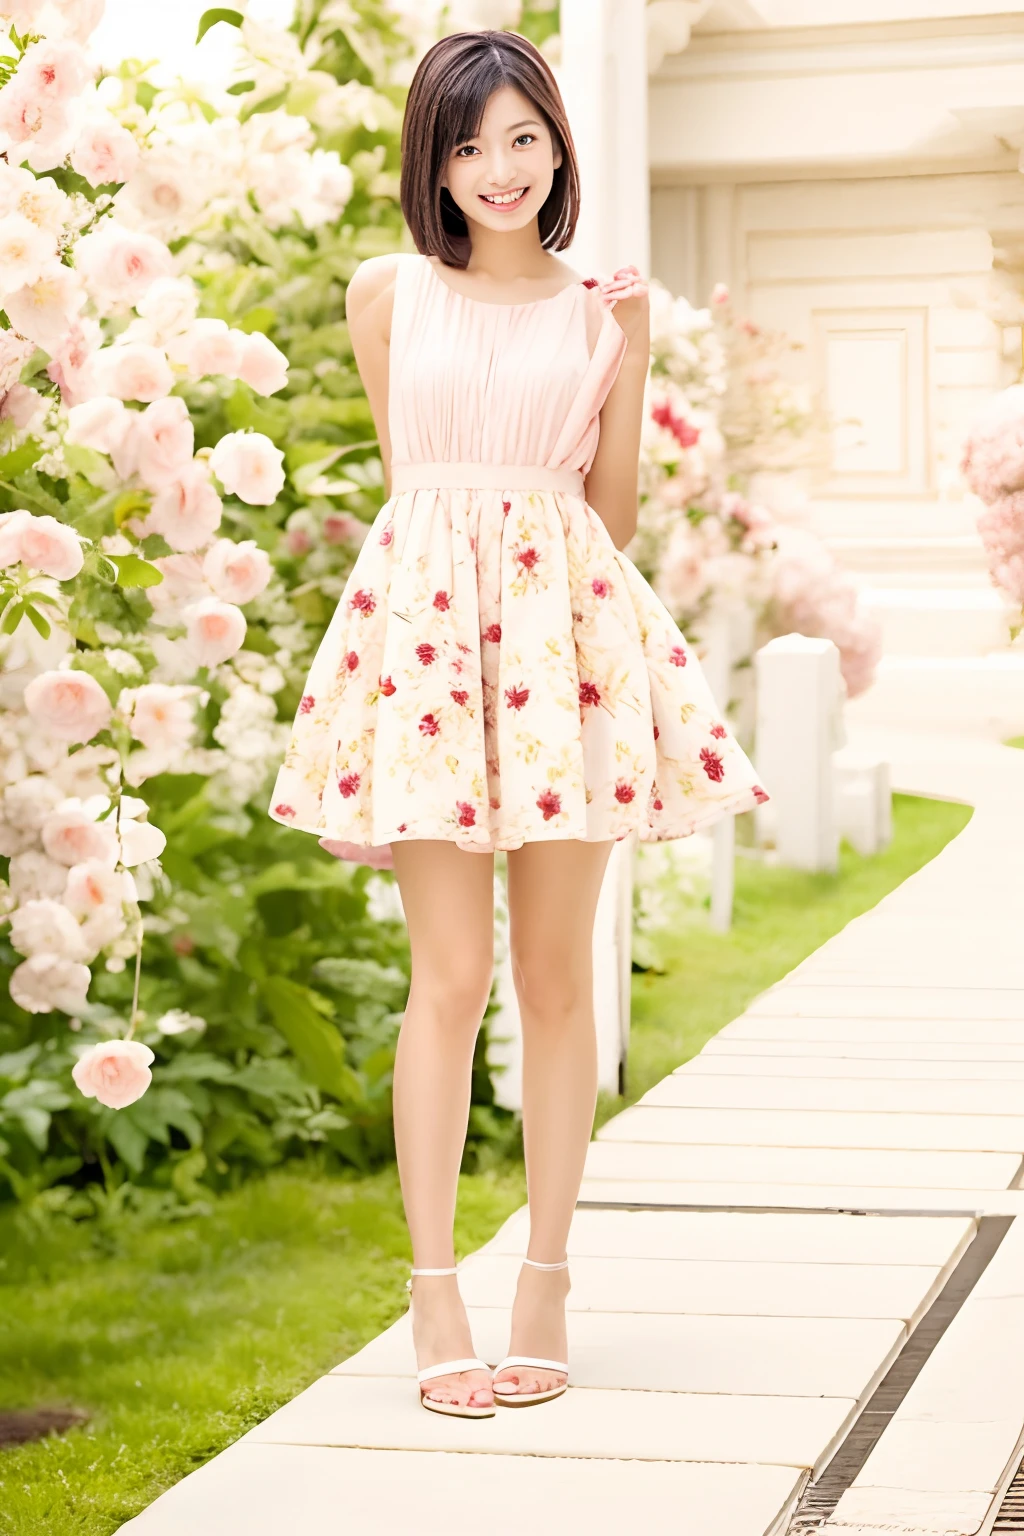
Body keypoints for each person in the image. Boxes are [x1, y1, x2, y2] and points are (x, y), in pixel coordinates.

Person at [269, 29, 767, 1419]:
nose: (501, 169)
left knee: (556, 978)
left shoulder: (603, 310)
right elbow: (411, 484)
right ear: (434, 159)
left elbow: (606, 516)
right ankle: (435, 1295)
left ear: (558, 146)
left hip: (566, 646)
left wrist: (636, 341)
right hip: (431, 644)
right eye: (470, 143)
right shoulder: (388, 294)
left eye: (524, 139)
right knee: (450, 978)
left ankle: (544, 1274)